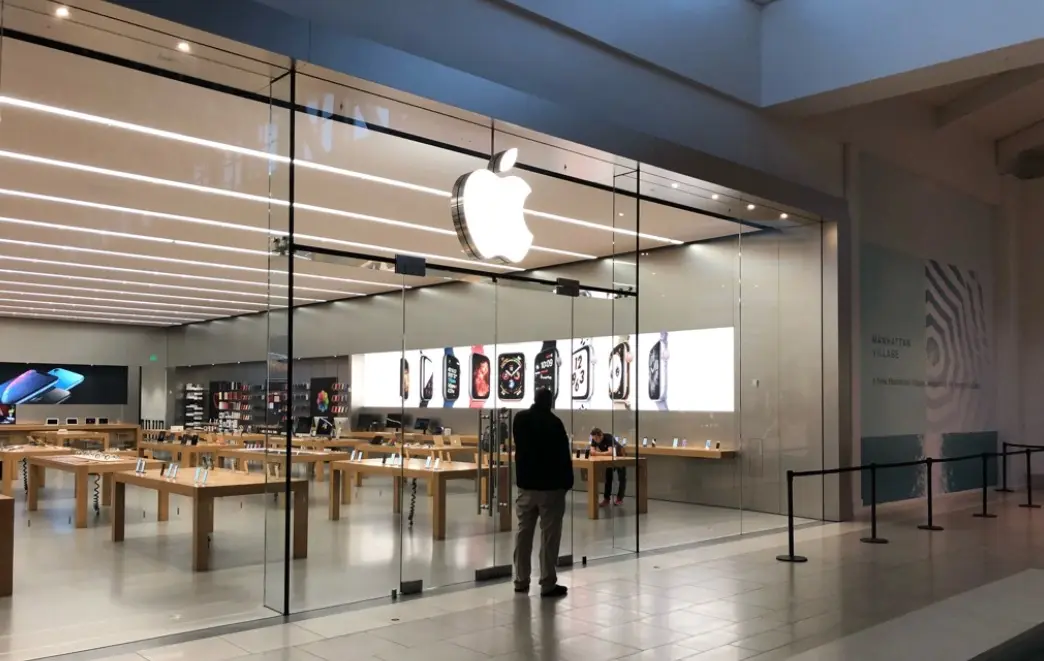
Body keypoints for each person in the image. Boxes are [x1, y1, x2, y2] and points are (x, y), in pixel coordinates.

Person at [512, 387, 573, 598]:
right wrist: (567, 483)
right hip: (550, 488)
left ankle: (521, 580)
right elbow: (563, 457)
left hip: (526, 486)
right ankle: (547, 582)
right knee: (549, 537)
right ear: (550, 402)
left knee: (523, 533)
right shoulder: (555, 424)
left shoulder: (520, 420)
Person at [589, 427, 625, 507]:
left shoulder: (608, 437)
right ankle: (606, 499)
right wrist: (596, 452)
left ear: (601, 435)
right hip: (609, 459)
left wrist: (597, 453)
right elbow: (592, 451)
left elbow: (610, 452)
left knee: (621, 478)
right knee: (608, 477)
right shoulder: (594, 439)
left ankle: (619, 498)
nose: (595, 440)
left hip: (619, 456)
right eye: (593, 438)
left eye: (596, 438)